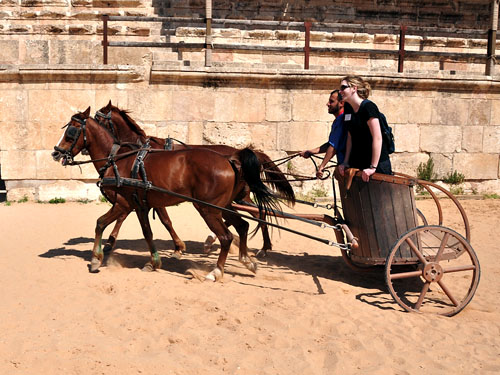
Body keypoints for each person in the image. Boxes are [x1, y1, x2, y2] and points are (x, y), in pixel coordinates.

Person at [337, 75, 392, 182]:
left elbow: (377, 138)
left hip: (377, 164)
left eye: (343, 87)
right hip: (359, 162)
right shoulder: (348, 108)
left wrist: (373, 167)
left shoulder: (369, 107)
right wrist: (346, 162)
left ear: (354, 88)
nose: (340, 91)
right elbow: (350, 136)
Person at [299, 89, 347, 179]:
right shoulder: (339, 120)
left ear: (341, 103)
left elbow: (333, 147)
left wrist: (322, 166)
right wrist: (310, 151)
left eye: (331, 101)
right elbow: (330, 144)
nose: (328, 104)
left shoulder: (341, 120)